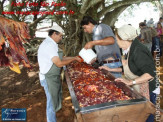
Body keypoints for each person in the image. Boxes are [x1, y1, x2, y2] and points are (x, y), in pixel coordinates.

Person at [100, 25, 159, 122]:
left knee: (147, 113)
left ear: (124, 39)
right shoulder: (129, 48)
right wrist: (109, 69)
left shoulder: (138, 50)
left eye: (116, 39)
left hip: (148, 88)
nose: (115, 41)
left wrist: (131, 82)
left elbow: (150, 74)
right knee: (141, 113)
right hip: (139, 85)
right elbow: (128, 67)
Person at [37, 25, 80, 122]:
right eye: (60, 36)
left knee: (54, 99)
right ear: (54, 34)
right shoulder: (49, 45)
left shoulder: (52, 43)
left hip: (52, 77)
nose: (61, 38)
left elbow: (61, 58)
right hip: (48, 78)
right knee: (51, 102)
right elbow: (59, 63)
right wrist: (73, 59)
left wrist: (74, 58)